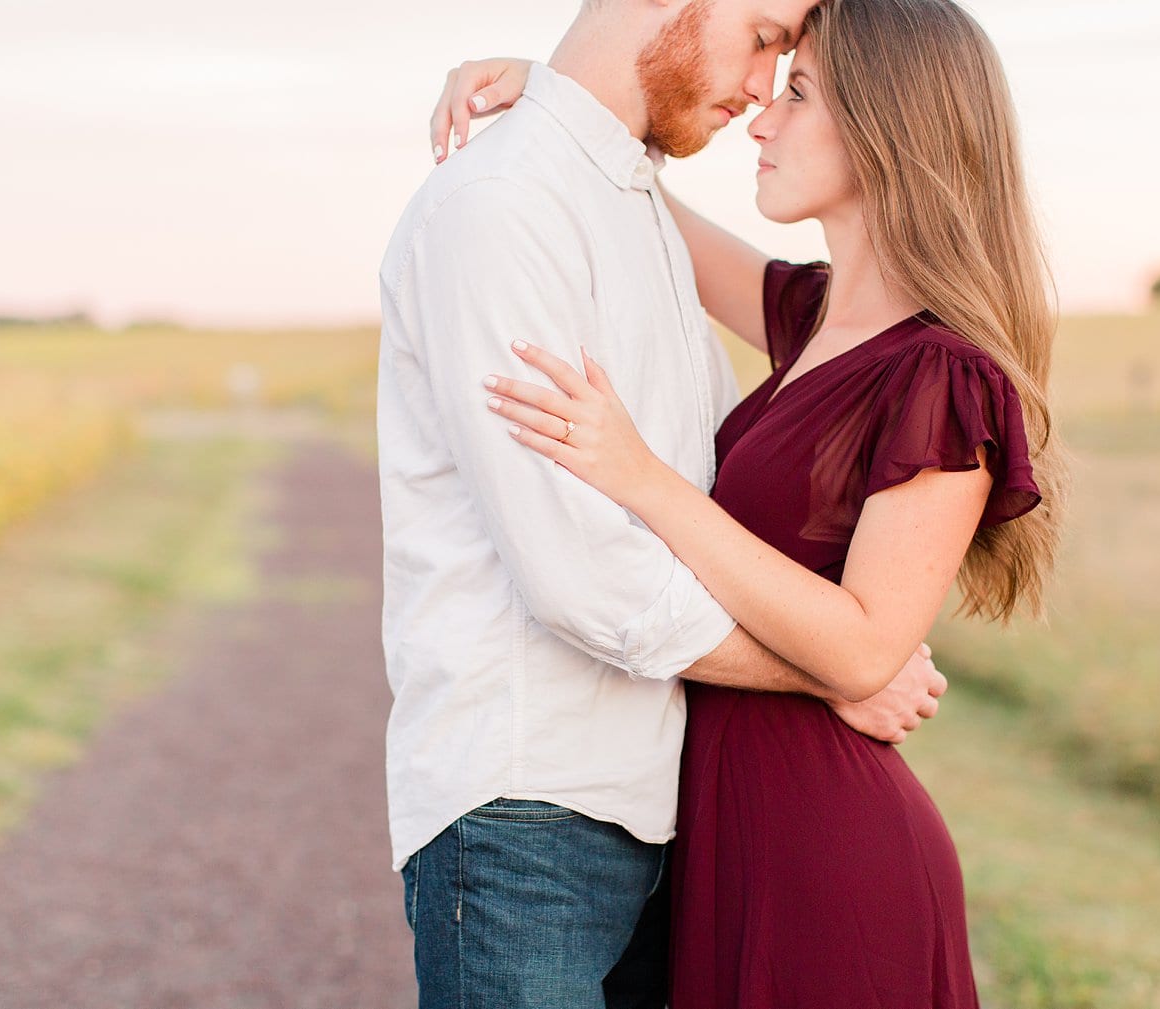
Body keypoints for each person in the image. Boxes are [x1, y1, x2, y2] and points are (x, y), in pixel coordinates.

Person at [431, 0, 1066, 1005]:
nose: (761, 116)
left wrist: (643, 478)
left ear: (887, 126)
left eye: (800, 90)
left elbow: (864, 648)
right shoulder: (812, 317)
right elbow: (634, 203)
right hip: (730, 828)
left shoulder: (941, 375)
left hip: (828, 848)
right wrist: (547, 95)